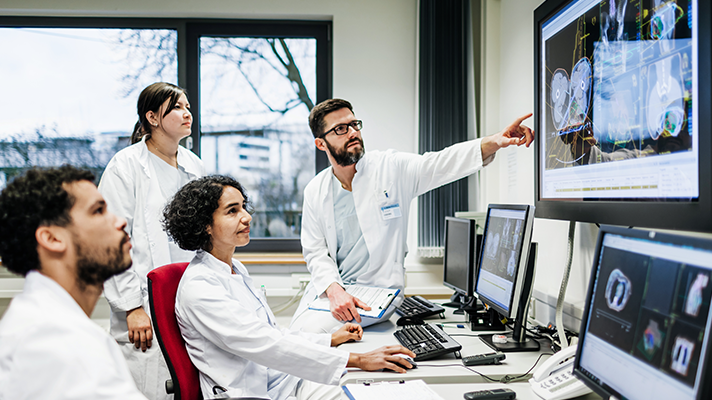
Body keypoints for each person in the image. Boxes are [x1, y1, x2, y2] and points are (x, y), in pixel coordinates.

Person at [291, 98, 534, 333]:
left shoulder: (390, 168)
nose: (353, 132)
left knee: (309, 334)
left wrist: (495, 141)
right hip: (334, 290)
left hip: (378, 293)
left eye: (355, 125)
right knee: (294, 332)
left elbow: (441, 163)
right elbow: (315, 251)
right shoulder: (315, 190)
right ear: (321, 144)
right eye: (341, 129)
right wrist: (334, 289)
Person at [162, 175, 415, 400]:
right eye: (232, 211)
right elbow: (266, 344)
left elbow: (272, 333)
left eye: (244, 207)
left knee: (369, 387)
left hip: (278, 380)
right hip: (248, 393)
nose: (247, 217)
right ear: (205, 225)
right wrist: (358, 360)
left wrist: (330, 339)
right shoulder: (199, 288)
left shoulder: (235, 268)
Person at [0, 166, 147, 400]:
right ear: (52, 238)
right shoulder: (53, 340)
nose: (120, 222)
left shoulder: (47, 322)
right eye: (98, 211)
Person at [99, 82, 205, 399]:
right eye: (177, 107)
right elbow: (110, 240)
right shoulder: (125, 166)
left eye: (187, 107)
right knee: (146, 386)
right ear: (153, 117)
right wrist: (131, 307)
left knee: (188, 385)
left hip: (189, 299)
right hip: (142, 303)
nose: (187, 113)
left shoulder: (194, 165)